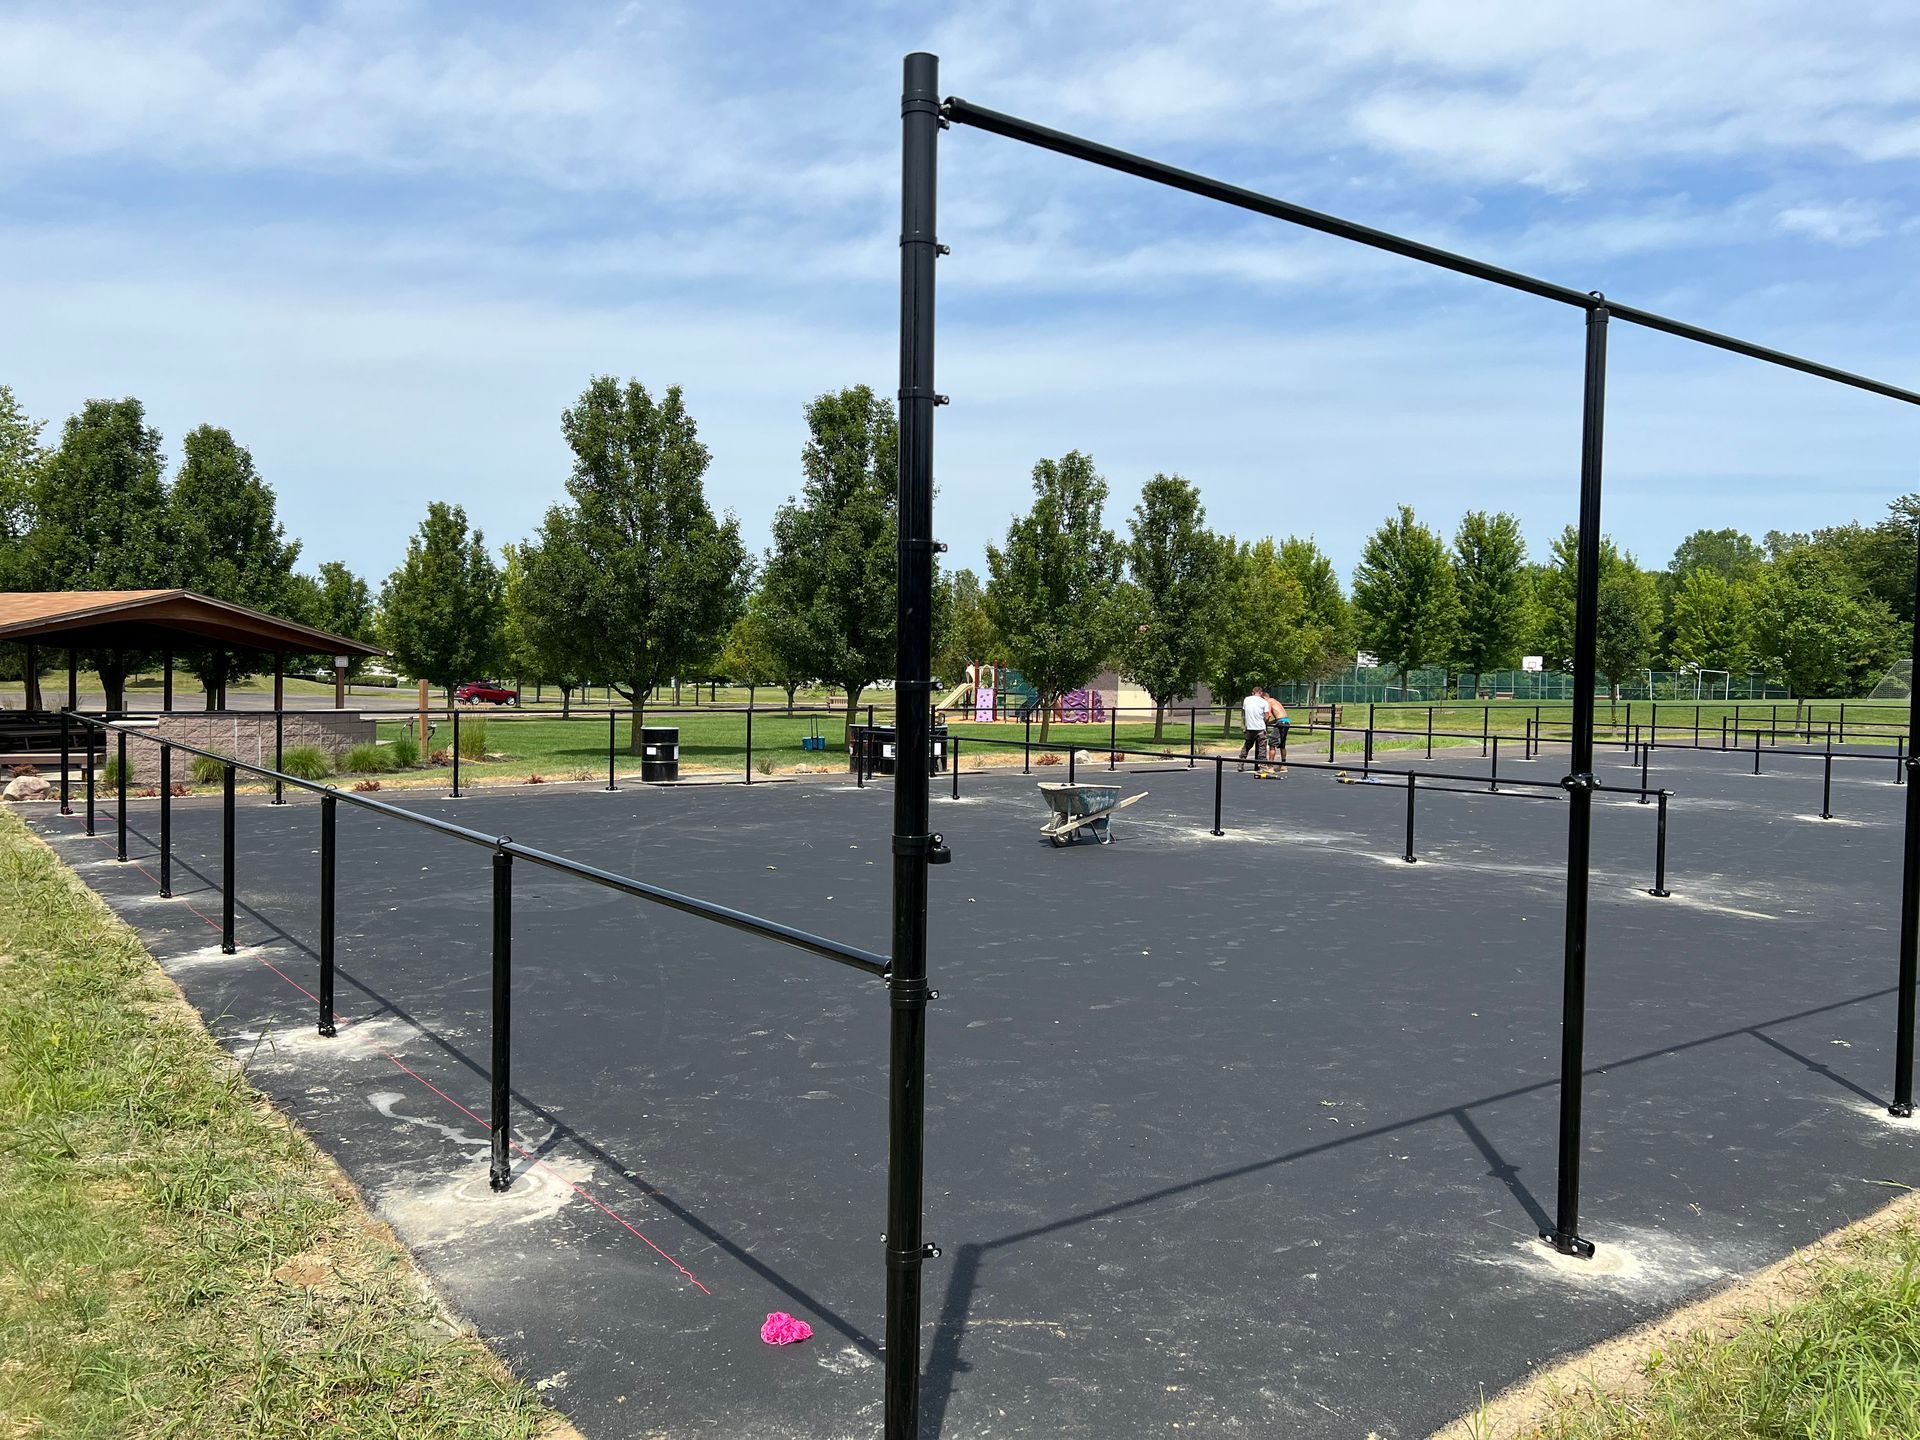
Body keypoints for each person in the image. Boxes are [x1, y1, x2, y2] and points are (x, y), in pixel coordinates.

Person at [1239, 686, 1269, 772]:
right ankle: (1262, 765)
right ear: (1261, 693)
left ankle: (1241, 763)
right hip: (1260, 727)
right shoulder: (1264, 702)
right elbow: (1267, 716)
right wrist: (1264, 721)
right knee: (1262, 747)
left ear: (1253, 692)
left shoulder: (1246, 699)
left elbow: (1245, 711)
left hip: (1250, 727)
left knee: (1247, 745)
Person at [1265, 693, 1291, 771]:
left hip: (1280, 722)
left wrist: (1264, 722)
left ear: (1264, 697)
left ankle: (1270, 766)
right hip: (1286, 721)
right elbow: (1279, 716)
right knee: (1282, 744)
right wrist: (1269, 723)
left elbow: (1268, 714)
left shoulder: (1268, 701)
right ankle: (1283, 765)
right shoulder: (1275, 701)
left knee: (1272, 744)